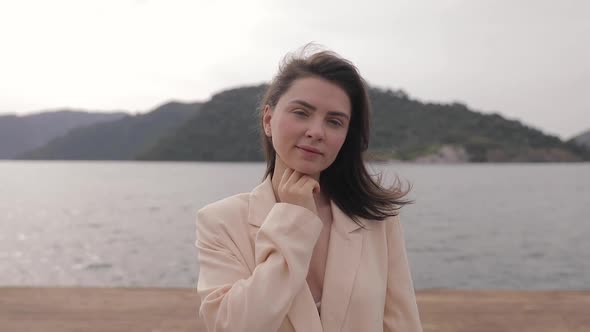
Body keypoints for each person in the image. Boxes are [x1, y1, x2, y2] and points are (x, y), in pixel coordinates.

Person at [195, 46, 423, 332]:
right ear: (268, 120)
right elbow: (232, 325)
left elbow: (401, 323)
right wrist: (293, 220)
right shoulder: (221, 221)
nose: (316, 131)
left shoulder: (376, 218)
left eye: (334, 121)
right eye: (301, 113)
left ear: (345, 136)